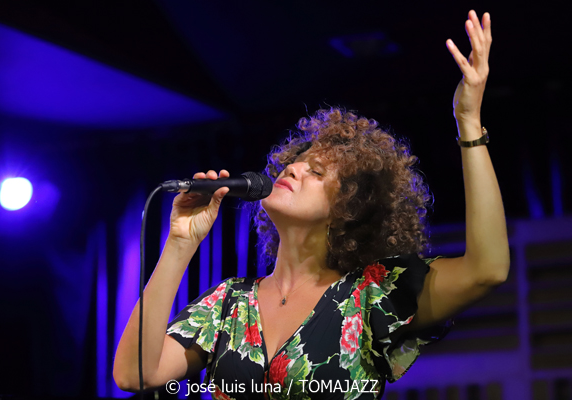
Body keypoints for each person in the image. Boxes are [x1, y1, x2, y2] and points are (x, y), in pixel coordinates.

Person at [113, 9, 509, 399]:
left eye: (316, 172)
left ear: (347, 209)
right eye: (295, 161)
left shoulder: (370, 296)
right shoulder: (227, 303)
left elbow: (487, 270)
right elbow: (134, 375)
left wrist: (468, 122)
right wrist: (180, 242)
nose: (293, 168)